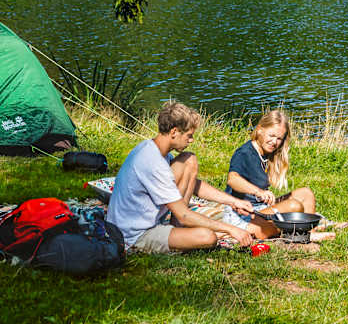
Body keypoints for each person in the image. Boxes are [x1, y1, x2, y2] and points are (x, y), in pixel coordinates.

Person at [107, 101, 255, 254]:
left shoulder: (153, 149)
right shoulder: (153, 162)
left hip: (138, 224)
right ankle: (176, 234)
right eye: (189, 136)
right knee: (207, 237)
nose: (191, 140)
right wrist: (232, 230)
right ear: (174, 132)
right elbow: (183, 215)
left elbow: (195, 184)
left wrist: (234, 201)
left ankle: (177, 230)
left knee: (189, 160)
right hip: (133, 236)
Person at [223, 109, 336, 240]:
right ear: (259, 129)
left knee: (306, 193)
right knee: (294, 206)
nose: (274, 142)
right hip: (242, 217)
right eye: (271, 135)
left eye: (279, 138)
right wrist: (258, 192)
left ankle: (309, 231)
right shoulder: (244, 153)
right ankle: (303, 235)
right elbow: (233, 179)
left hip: (260, 210)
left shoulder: (268, 154)